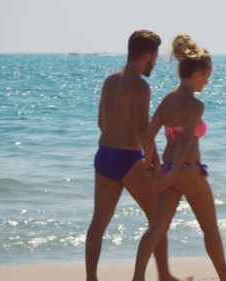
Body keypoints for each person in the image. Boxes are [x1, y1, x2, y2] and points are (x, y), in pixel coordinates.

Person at [132, 34, 226, 281]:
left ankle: (138, 278)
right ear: (197, 73)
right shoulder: (196, 106)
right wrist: (176, 171)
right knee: (209, 227)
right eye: (207, 76)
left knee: (155, 229)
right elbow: (186, 141)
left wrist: (153, 168)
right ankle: (225, 275)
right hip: (187, 170)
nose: (207, 82)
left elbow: (147, 136)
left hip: (166, 169)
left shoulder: (167, 100)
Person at [85, 30, 182, 281]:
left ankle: (91, 278)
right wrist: (156, 165)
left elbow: (101, 123)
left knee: (98, 223)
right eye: (155, 56)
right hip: (128, 160)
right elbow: (143, 131)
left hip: (104, 156)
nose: (155, 62)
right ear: (147, 56)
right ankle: (163, 275)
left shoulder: (110, 80)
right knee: (158, 219)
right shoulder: (140, 86)